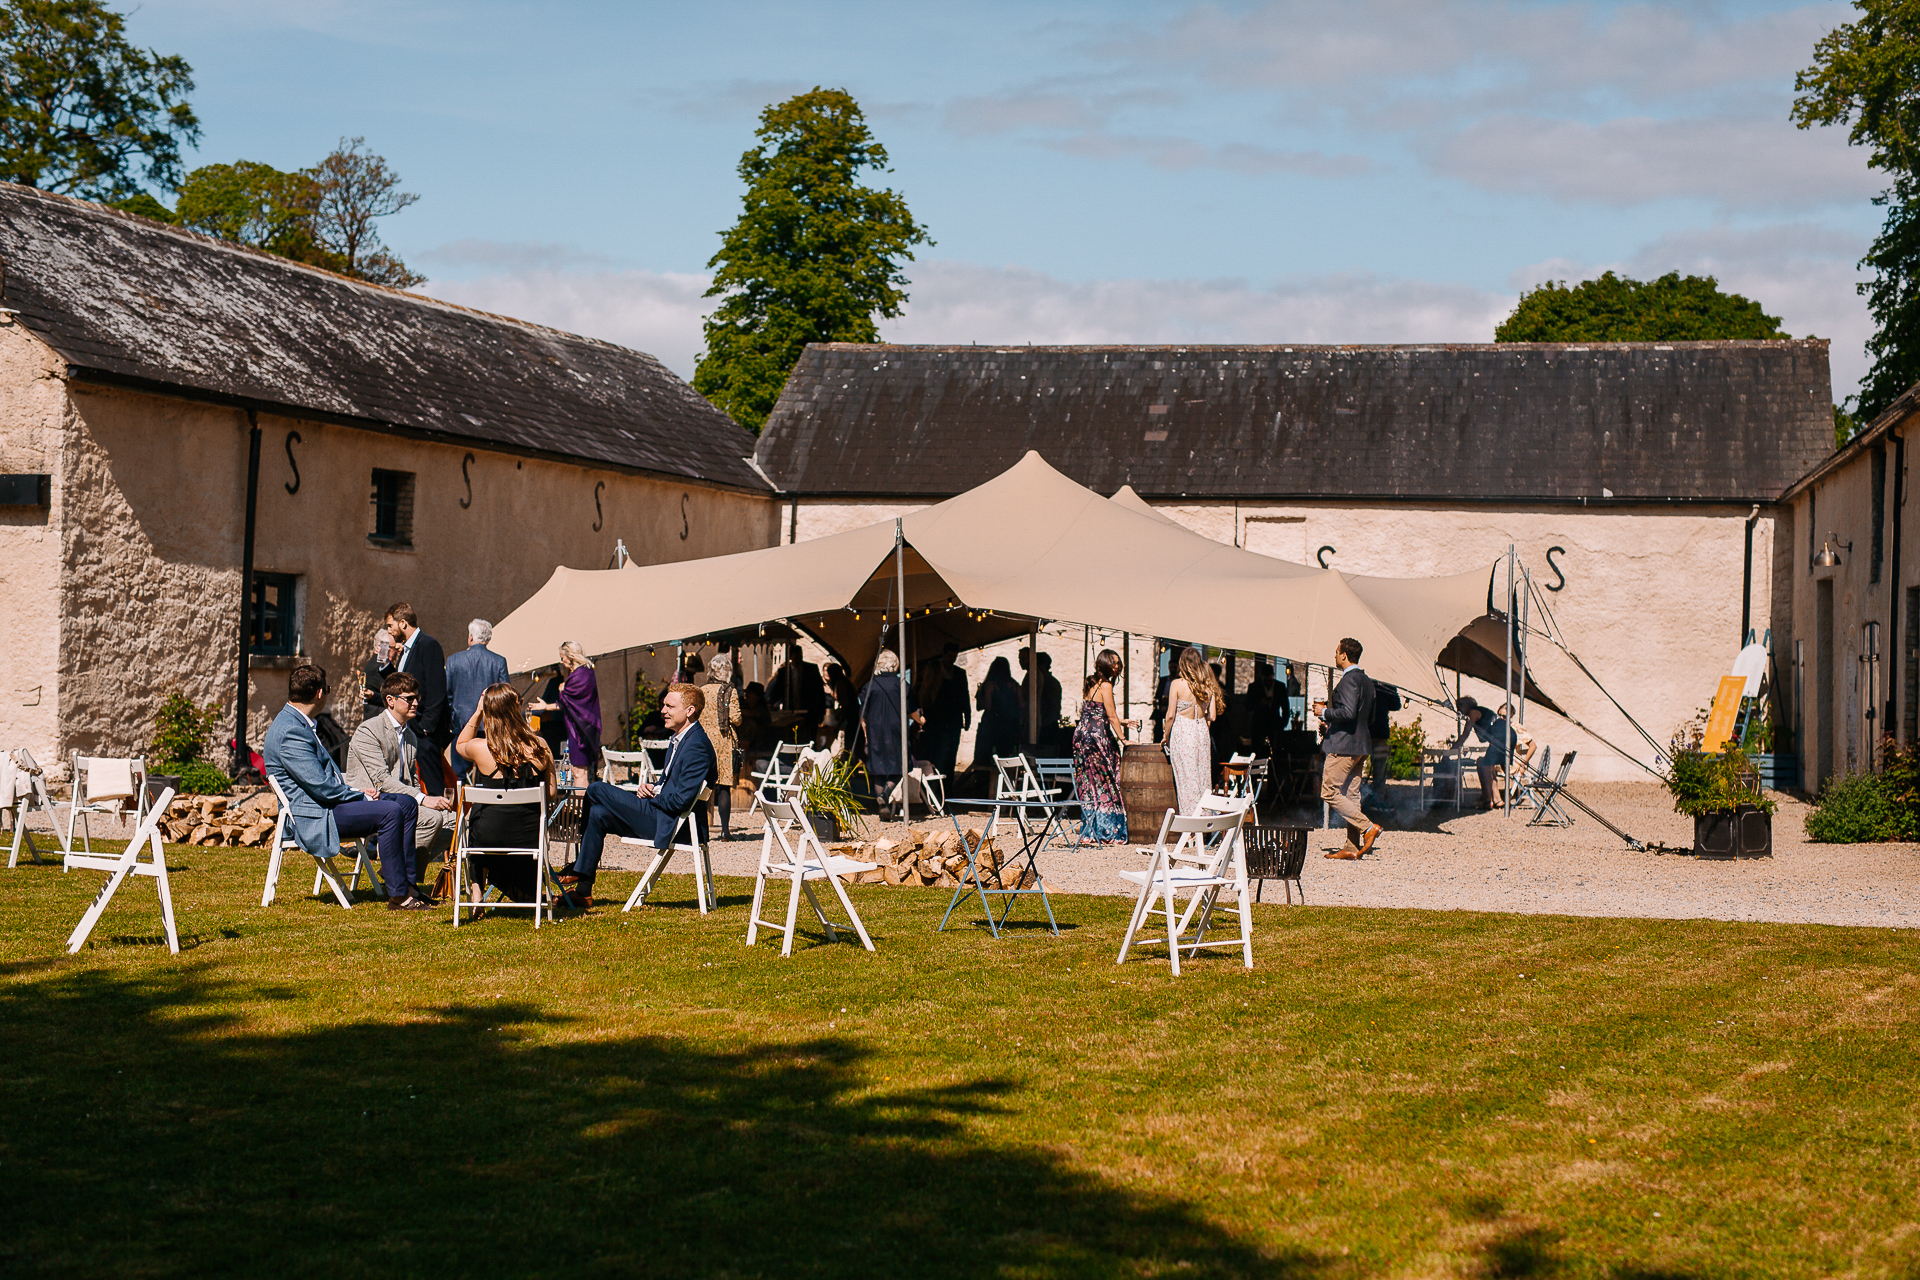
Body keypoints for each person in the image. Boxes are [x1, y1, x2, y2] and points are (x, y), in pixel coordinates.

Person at [264, 663, 427, 910]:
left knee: (404, 803)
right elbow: (321, 787)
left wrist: (358, 794)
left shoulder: (298, 723)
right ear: (319, 693)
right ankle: (398, 896)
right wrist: (360, 795)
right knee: (390, 811)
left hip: (328, 804)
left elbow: (322, 781)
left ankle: (407, 883)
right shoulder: (290, 730)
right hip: (316, 814)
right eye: (327, 688)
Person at [560, 683, 716, 905]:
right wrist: (652, 786)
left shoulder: (696, 746)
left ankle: (578, 867)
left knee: (595, 789)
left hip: (673, 825)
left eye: (670, 706)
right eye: (664, 705)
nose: (663, 711)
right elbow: (670, 786)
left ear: (689, 711)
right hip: (661, 815)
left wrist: (654, 796)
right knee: (597, 813)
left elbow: (682, 801)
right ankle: (583, 892)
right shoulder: (681, 739)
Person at [455, 683, 556, 906]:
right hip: (528, 838)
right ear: (516, 708)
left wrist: (478, 711)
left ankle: (476, 888)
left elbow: (460, 744)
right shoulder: (540, 745)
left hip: (487, 838)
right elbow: (550, 793)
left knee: (479, 818)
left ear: (489, 711)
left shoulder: (481, 748)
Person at [343, 671, 456, 863]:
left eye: (417, 698)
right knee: (433, 819)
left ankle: (401, 873)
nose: (416, 703)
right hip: (371, 802)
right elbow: (382, 781)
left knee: (454, 821)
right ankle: (401, 878)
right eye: (409, 698)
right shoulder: (369, 730)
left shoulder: (410, 735)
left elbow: (412, 779)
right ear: (390, 700)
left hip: (402, 802)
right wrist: (423, 799)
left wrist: (420, 799)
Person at [1313, 637, 1382, 860]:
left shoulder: (1349, 681)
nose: (1335, 656)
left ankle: (1368, 827)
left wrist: (1324, 713)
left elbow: (1348, 712)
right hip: (1360, 743)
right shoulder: (1368, 681)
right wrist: (1331, 722)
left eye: (1336, 652)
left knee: (1328, 791)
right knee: (1352, 796)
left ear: (1344, 655)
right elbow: (1368, 717)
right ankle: (1352, 846)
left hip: (1344, 745)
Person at [1073, 649, 1138, 845]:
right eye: (1114, 663)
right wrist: (1123, 739)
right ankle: (1108, 830)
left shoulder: (1091, 682)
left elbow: (1095, 712)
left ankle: (1090, 830)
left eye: (1118, 663)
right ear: (1105, 664)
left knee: (1087, 783)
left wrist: (1122, 721)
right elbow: (1109, 715)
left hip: (1082, 735)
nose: (1117, 667)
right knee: (1107, 779)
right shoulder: (1106, 685)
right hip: (1097, 738)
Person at [385, 603, 450, 793]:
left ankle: (443, 819)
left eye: (391, 625)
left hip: (423, 731)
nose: (389, 630)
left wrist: (426, 728)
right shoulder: (405, 650)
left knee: (432, 782)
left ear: (403, 623)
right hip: (410, 728)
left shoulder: (428, 645)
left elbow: (437, 688)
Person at [444, 619, 510, 782]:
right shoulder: (498, 661)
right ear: (487, 639)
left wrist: (452, 718)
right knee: (489, 771)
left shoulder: (454, 660)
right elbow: (505, 695)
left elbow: (447, 694)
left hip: (462, 724)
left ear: (471, 637)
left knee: (458, 774)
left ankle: (459, 806)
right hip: (491, 725)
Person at [1163, 646, 1225, 815]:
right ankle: (1203, 818)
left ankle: (1190, 821)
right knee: (1202, 776)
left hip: (1183, 732)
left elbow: (1170, 716)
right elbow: (1212, 716)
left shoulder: (1176, 684)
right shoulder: (1207, 686)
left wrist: (1166, 736)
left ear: (1183, 664)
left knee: (1185, 778)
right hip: (1201, 732)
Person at [689, 652, 744, 840]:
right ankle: (725, 831)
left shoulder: (701, 690)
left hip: (704, 741)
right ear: (727, 671)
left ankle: (701, 830)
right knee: (724, 787)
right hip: (724, 741)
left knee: (704, 785)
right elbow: (736, 719)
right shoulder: (731, 691)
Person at [860, 650, 909, 820]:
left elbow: (863, 715)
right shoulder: (901, 684)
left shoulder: (870, 685)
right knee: (902, 765)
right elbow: (910, 709)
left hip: (875, 731)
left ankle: (883, 804)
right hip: (896, 731)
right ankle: (887, 793)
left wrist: (866, 735)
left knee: (878, 769)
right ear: (895, 665)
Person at [1447, 696, 1515, 809]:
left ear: (1465, 706)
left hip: (1500, 740)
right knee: (1487, 767)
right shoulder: (1482, 711)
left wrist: (1455, 747)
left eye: (1459, 708)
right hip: (1505, 739)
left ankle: (1487, 801)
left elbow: (1466, 732)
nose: (1458, 711)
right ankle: (1497, 800)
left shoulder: (1473, 712)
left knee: (1483, 766)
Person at [916, 645, 970, 780]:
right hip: (936, 720)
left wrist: (967, 716)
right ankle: (936, 787)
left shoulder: (959, 673)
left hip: (953, 720)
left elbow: (964, 696)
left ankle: (947, 788)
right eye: (950, 656)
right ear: (944, 655)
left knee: (950, 755)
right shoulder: (935, 671)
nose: (952, 659)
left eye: (954, 657)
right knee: (936, 755)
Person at [556, 641, 602, 783]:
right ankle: (581, 804)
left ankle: (581, 805)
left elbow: (571, 701)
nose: (562, 661)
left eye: (562, 657)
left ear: (570, 657)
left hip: (581, 730)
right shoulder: (583, 673)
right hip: (579, 728)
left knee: (579, 771)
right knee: (577, 771)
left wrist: (562, 691)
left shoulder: (581, 674)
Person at [769, 643, 827, 743]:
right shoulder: (784, 672)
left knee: (810, 738)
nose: (797, 659)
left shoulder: (811, 669)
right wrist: (772, 704)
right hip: (791, 710)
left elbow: (819, 691)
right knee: (792, 737)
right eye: (794, 656)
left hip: (809, 710)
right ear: (790, 656)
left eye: (799, 656)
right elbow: (778, 690)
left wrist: (821, 711)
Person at [974, 656, 1022, 765]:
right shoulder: (1014, 685)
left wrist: (979, 695)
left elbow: (988, 705)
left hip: (991, 724)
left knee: (985, 756)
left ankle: (986, 779)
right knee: (1005, 755)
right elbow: (1022, 705)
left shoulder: (990, 684)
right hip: (1009, 724)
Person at [1367, 681, 1404, 801]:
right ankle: (1377, 796)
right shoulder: (1385, 684)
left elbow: (1396, 705)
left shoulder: (1368, 683)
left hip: (1369, 730)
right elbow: (1395, 705)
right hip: (1377, 731)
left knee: (1379, 765)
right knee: (1379, 767)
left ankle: (1375, 797)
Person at [525, 665, 567, 763]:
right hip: (565, 723)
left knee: (555, 750)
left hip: (556, 723)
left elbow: (545, 700)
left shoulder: (554, 682)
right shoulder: (568, 682)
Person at [361, 628, 393, 724]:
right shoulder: (376, 667)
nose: (392, 650)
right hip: (377, 719)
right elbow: (393, 689)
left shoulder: (380, 665)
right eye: (388, 646)